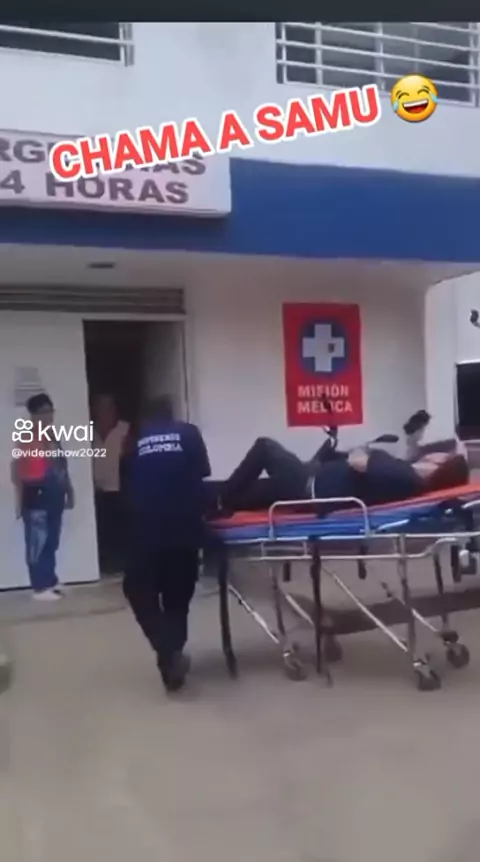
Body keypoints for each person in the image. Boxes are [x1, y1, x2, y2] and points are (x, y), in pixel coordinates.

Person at [123, 396, 211, 693]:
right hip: (186, 528)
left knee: (137, 589)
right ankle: (172, 662)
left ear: (146, 418)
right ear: (172, 415)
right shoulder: (189, 433)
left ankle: (167, 652)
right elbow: (203, 473)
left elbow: (127, 483)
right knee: (177, 599)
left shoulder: (134, 439)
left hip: (146, 530)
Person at [217, 436, 469, 515]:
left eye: (442, 455)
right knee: (243, 494)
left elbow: (359, 463)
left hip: (309, 487)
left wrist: (361, 449)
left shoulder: (406, 475)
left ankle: (221, 501)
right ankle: (219, 503)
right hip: (311, 482)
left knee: (265, 447)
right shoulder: (408, 474)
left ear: (440, 464)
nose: (434, 453)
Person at [11, 393, 75, 601]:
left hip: (54, 495)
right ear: (33, 414)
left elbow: (61, 466)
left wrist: (68, 490)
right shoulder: (28, 438)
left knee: (51, 541)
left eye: (50, 411)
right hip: (37, 497)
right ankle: (39, 587)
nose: (49, 416)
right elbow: (20, 471)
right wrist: (19, 500)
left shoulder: (52, 436)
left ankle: (50, 580)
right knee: (38, 542)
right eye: (44, 412)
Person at [92, 394, 130, 574]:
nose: (105, 411)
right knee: (102, 531)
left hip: (119, 489)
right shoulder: (89, 430)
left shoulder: (125, 429)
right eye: (101, 407)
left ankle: (120, 565)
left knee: (120, 530)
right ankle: (105, 565)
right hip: (96, 490)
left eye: (109, 407)